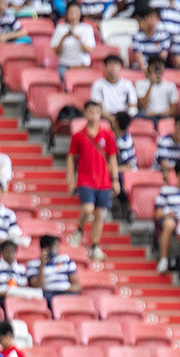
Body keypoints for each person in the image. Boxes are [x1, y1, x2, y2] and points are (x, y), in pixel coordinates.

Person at [65, 100, 118, 261]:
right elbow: (70, 158)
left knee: (99, 214)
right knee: (88, 209)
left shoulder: (108, 134)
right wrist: (71, 180)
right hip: (85, 178)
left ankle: (95, 246)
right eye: (90, 111)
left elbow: (113, 158)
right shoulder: (78, 136)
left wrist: (115, 179)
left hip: (103, 180)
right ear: (85, 113)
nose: (93, 115)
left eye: (96, 112)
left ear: (100, 113)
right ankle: (79, 231)